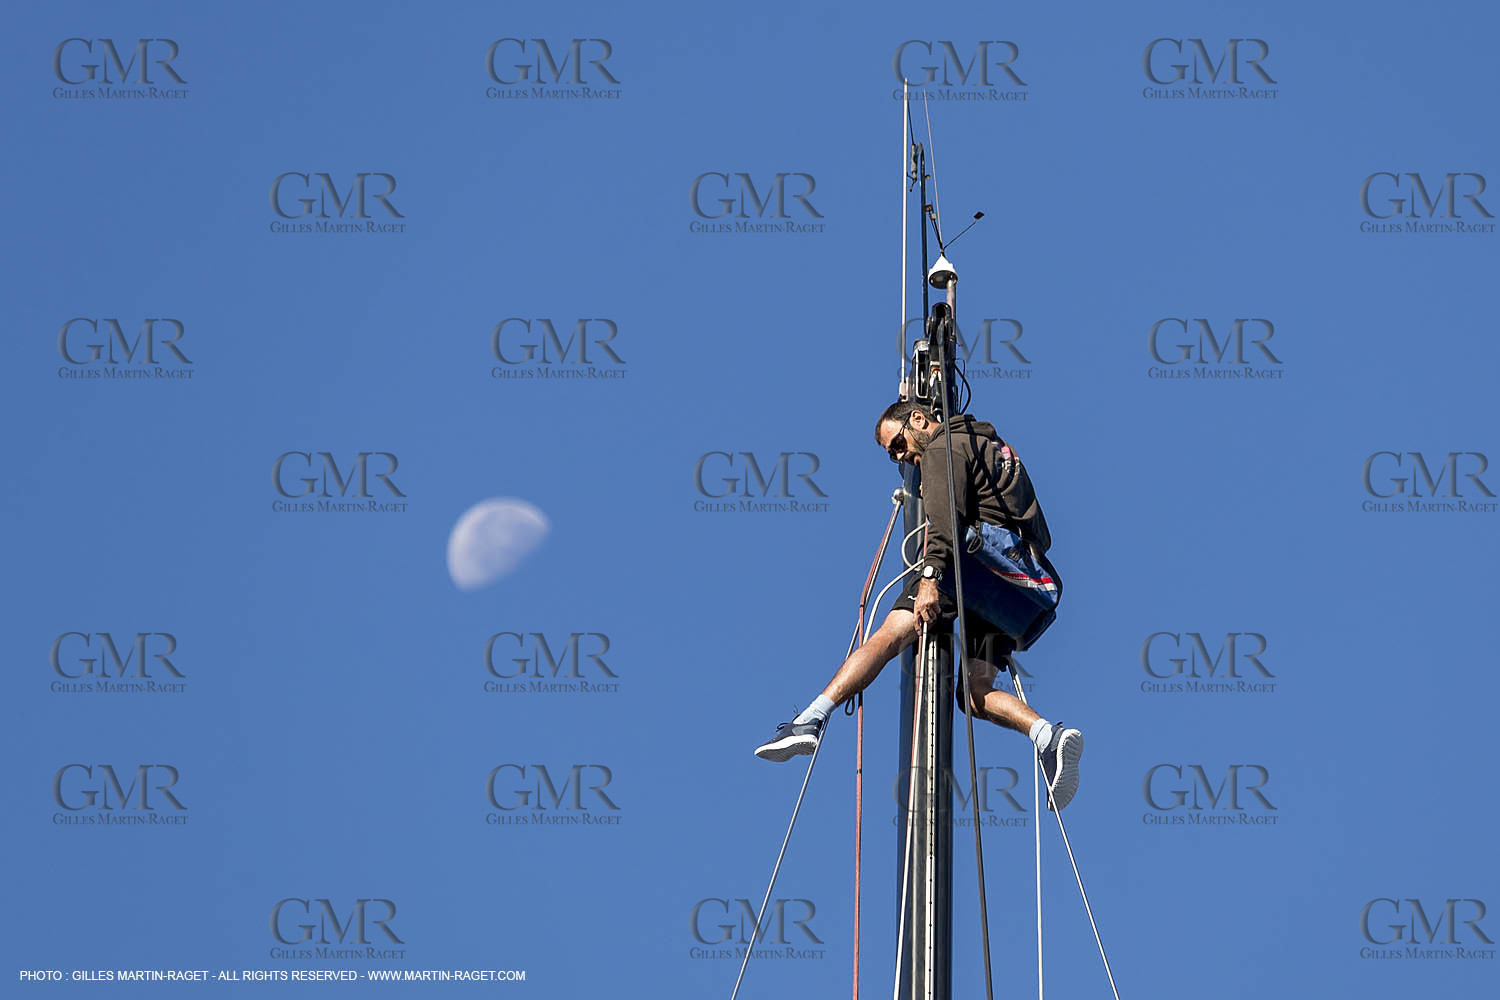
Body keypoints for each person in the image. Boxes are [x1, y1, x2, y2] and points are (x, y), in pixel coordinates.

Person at [754, 400, 1084, 810]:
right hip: (1012, 585)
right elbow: (1038, 531)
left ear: (918, 418)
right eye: (890, 454)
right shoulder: (992, 447)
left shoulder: (942, 448)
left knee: (889, 636)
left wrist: (930, 577)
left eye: (897, 443)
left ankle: (811, 719)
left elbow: (945, 519)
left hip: (962, 568)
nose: (898, 456)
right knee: (975, 692)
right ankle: (1047, 737)